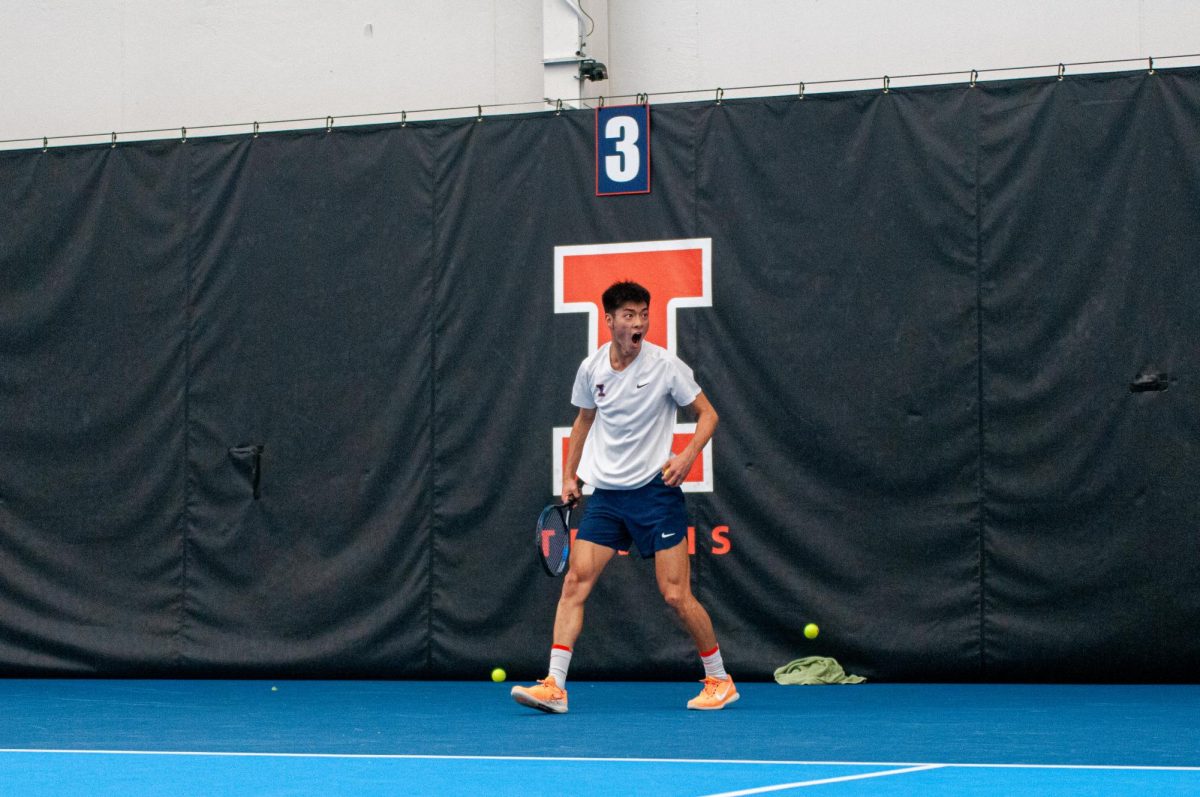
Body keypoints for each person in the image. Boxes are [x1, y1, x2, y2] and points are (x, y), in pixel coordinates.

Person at [511, 280, 736, 713]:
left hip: (656, 494)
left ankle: (719, 679)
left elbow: (708, 414)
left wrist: (688, 455)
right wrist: (570, 476)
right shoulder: (591, 368)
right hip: (607, 498)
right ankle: (555, 685)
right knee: (575, 582)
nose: (639, 323)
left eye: (644, 314)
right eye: (629, 315)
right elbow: (582, 422)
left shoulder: (666, 366)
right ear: (610, 321)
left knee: (675, 596)